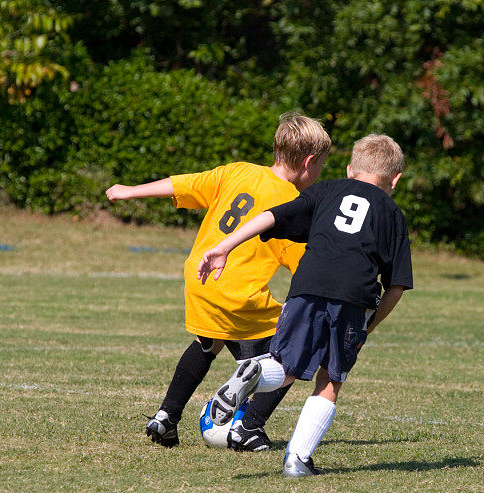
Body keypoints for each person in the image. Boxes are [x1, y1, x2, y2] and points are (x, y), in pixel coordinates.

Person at [105, 113, 331, 450]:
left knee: (209, 342)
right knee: (291, 358)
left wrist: (130, 192)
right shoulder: (292, 204)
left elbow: (185, 184)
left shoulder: (238, 171)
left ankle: (166, 416)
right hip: (239, 292)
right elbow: (303, 263)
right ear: (309, 162)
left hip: (202, 277)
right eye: (322, 165)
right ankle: (248, 428)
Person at [198, 134, 413, 476]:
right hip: (353, 296)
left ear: (350, 169)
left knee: (286, 365)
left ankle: (253, 371)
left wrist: (226, 246)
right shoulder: (392, 214)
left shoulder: (326, 191)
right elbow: (396, 287)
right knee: (330, 380)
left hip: (306, 285)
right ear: (396, 178)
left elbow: (271, 216)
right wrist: (369, 326)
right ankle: (297, 461)